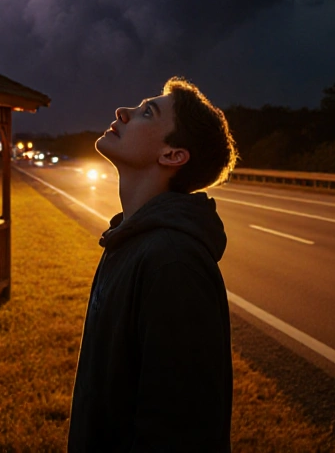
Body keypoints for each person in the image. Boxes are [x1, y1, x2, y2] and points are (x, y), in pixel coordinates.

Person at [68, 77, 237, 452]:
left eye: (147, 112)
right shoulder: (128, 240)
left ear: (173, 155)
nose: (122, 112)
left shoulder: (173, 263)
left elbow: (181, 432)